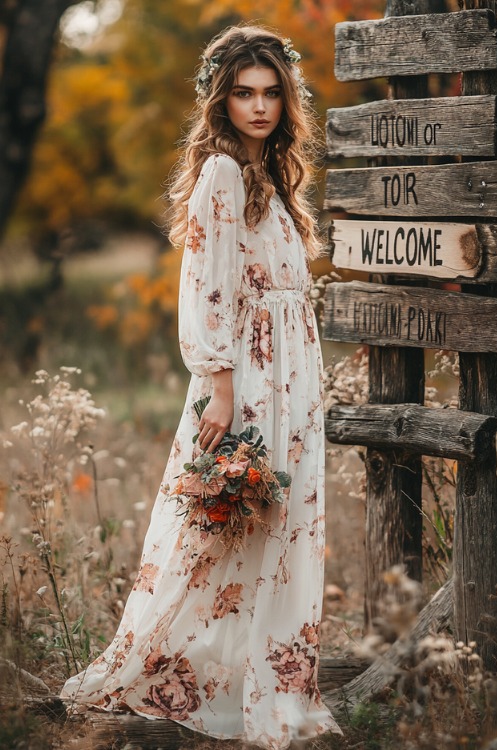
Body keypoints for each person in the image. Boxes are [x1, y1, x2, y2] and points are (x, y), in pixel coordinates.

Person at [60, 24, 342, 750]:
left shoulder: (271, 174)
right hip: (245, 379)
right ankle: (179, 671)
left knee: (280, 525)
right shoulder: (220, 172)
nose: (259, 107)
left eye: (272, 93)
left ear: (287, 99)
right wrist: (219, 388)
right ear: (221, 101)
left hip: (291, 376)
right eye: (244, 94)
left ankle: (271, 679)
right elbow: (207, 290)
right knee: (224, 526)